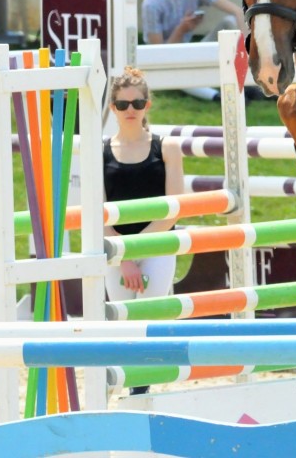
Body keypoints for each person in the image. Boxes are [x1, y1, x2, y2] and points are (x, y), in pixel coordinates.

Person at [103, 66, 184, 394]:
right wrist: (123, 256)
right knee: (121, 326)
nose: (130, 110)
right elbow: (100, 214)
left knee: (148, 323)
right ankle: (118, 390)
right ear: (113, 109)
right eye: (123, 105)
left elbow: (174, 206)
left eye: (137, 104)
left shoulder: (168, 148)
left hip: (158, 245)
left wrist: (135, 250)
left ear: (147, 105)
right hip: (115, 250)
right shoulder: (101, 150)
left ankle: (141, 394)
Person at [141, 0, 252, 102]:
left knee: (230, 21)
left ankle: (248, 71)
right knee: (179, 74)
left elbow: (236, 10)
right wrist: (182, 29)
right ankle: (217, 97)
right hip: (166, 59)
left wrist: (248, 46)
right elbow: (160, 53)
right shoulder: (152, 3)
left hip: (191, 49)